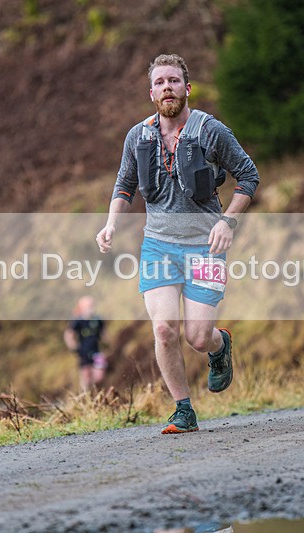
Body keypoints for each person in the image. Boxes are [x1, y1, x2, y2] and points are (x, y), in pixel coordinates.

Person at [96, 54, 260, 434]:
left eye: (173, 81)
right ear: (151, 92)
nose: (166, 87)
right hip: (158, 246)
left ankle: (220, 345)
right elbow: (124, 185)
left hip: (206, 246)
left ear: (187, 88)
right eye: (159, 82)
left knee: (197, 337)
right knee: (165, 329)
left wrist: (228, 221)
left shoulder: (211, 131)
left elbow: (249, 176)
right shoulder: (138, 136)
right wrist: (111, 224)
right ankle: (183, 410)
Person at [64, 296, 107, 392]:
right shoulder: (77, 321)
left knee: (99, 376)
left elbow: (104, 334)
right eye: (89, 306)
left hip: (97, 352)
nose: (91, 308)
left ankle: (96, 392)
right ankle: (85, 396)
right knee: (86, 376)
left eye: (92, 305)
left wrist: (106, 346)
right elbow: (68, 335)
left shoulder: (98, 320)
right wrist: (74, 348)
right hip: (84, 353)